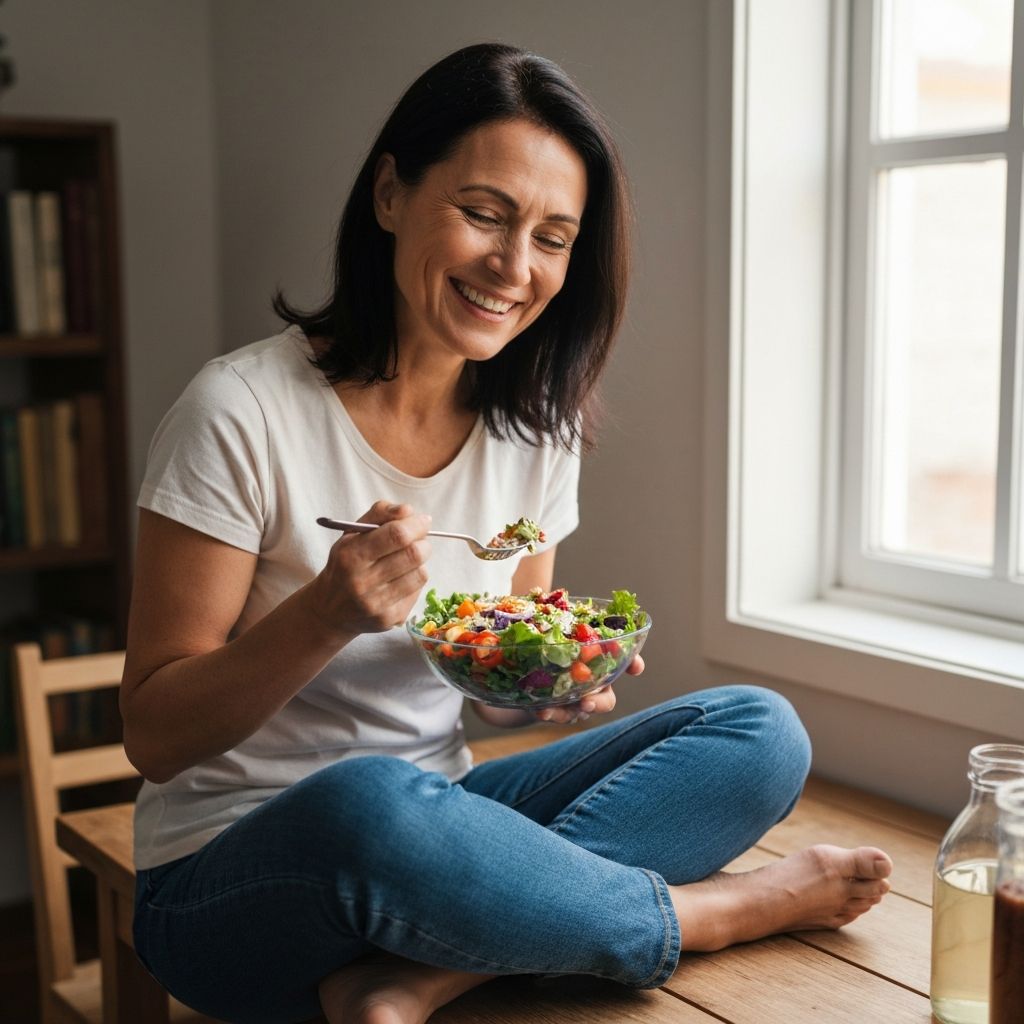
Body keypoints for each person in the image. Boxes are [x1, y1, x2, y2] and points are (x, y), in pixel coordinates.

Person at [120, 42, 893, 1024]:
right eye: (484, 214)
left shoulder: (537, 431)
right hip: (234, 876)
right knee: (367, 801)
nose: (513, 266)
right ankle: (702, 915)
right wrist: (323, 612)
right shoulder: (237, 410)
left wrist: (549, 681)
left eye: (553, 237)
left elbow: (484, 692)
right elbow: (152, 735)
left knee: (758, 732)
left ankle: (437, 970)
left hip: (441, 831)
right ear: (391, 194)